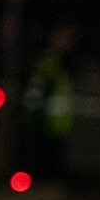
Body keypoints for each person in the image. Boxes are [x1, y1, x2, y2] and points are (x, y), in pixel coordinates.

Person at [23, 22, 78, 182]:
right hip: (47, 125)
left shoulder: (61, 63)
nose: (67, 42)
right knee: (46, 167)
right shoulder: (47, 62)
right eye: (63, 37)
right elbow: (35, 91)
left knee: (56, 168)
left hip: (60, 125)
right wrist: (30, 116)